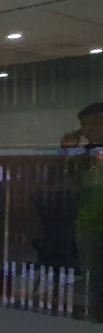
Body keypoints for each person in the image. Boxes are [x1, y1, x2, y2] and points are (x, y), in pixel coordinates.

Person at [61, 102, 103, 321]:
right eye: (82, 125)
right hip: (89, 225)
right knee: (92, 283)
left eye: (89, 124)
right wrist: (69, 150)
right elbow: (68, 178)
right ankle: (93, 324)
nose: (85, 131)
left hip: (91, 224)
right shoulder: (84, 155)